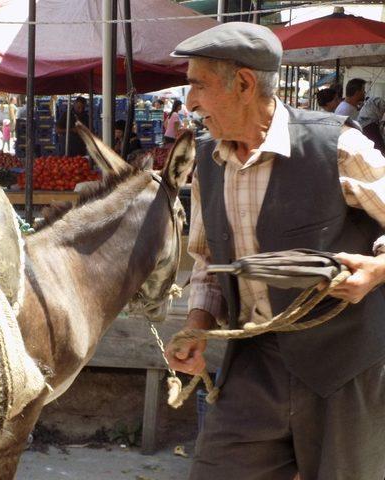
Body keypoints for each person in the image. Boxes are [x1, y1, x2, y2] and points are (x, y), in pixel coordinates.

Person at [164, 22, 385, 480]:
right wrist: (196, 327)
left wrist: (377, 270)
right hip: (254, 364)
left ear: (244, 83)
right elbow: (209, 261)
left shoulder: (338, 146)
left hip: (344, 368)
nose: (190, 103)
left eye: (199, 85)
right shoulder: (208, 160)